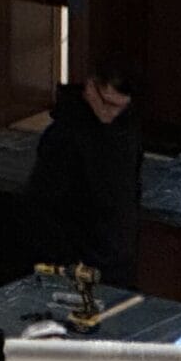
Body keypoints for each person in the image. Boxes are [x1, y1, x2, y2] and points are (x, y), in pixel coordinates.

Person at [15, 55, 144, 290]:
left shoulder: (127, 127)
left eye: (119, 106)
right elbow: (41, 204)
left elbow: (130, 190)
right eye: (106, 103)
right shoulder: (65, 135)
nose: (110, 113)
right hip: (75, 261)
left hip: (117, 260)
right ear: (90, 87)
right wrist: (67, 262)